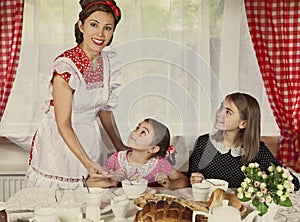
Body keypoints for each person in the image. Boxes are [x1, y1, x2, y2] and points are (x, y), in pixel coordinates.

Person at [25, 0, 127, 188]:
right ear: (81, 26)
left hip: (88, 138)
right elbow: (63, 124)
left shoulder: (108, 62)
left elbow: (104, 109)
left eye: (108, 28)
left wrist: (120, 147)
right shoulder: (66, 68)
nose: (100, 34)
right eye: (93, 25)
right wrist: (87, 163)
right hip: (60, 144)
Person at [188, 92, 299, 190]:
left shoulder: (258, 151)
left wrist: (265, 181)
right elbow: (192, 176)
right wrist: (195, 179)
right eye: (221, 107)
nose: (219, 113)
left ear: (243, 124)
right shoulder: (204, 143)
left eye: (228, 112)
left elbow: (293, 183)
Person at [88, 118, 189, 189]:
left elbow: (184, 181)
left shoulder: (159, 164)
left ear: (153, 148)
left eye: (143, 132)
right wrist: (112, 182)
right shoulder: (116, 159)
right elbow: (90, 182)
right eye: (137, 128)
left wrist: (169, 184)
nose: (134, 132)